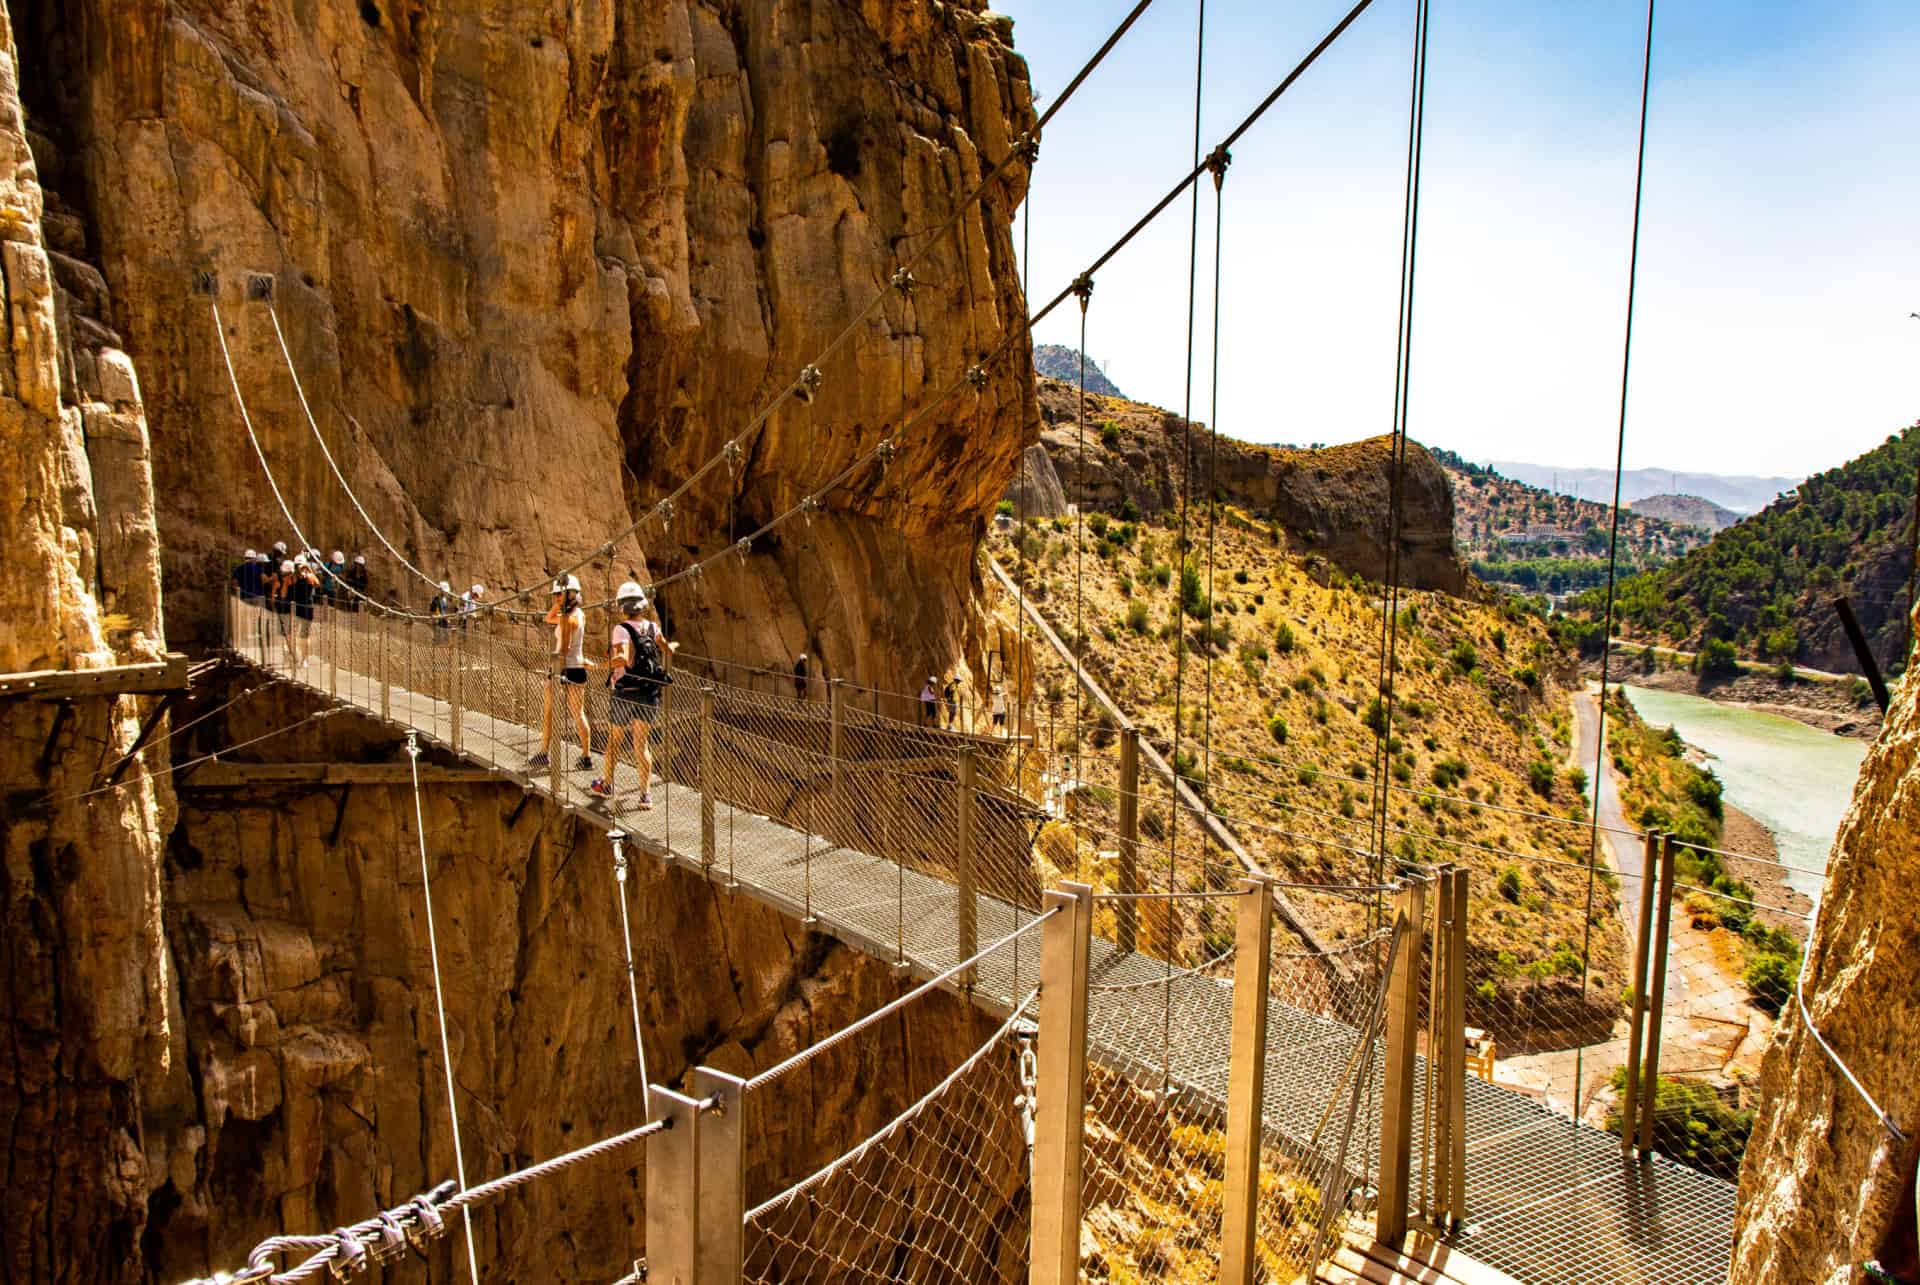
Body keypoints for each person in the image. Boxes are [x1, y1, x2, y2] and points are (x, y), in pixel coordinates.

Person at [592, 582, 674, 806]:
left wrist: (596, 666)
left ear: (622, 607)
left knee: (614, 741)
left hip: (625, 692)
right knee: (642, 744)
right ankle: (645, 795)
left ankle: (607, 784)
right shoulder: (652, 627)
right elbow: (666, 648)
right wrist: (670, 648)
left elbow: (622, 659)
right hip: (649, 693)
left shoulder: (621, 629)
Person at [530, 575, 594, 772]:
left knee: (550, 712)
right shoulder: (577, 614)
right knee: (577, 713)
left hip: (562, 667)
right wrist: (561, 603)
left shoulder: (569, 619)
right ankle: (586, 757)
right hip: (577, 668)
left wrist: (553, 671)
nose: (555, 597)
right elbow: (548, 618)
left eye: (559, 594)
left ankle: (544, 754)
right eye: (555, 594)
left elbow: (564, 649)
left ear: (571, 594)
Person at [289, 554, 321, 666]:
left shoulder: (308, 577)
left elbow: (317, 584)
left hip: (305, 608)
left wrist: (308, 573)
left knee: (304, 635)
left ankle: (304, 658)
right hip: (298, 607)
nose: (299, 568)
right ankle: (296, 656)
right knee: (294, 633)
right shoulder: (293, 577)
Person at [269, 557, 295, 665]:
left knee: (285, 632)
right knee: (291, 632)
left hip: (282, 608)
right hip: (294, 608)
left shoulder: (279, 581)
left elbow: (273, 596)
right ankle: (290, 652)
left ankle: (290, 653)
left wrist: (273, 605)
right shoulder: (295, 581)